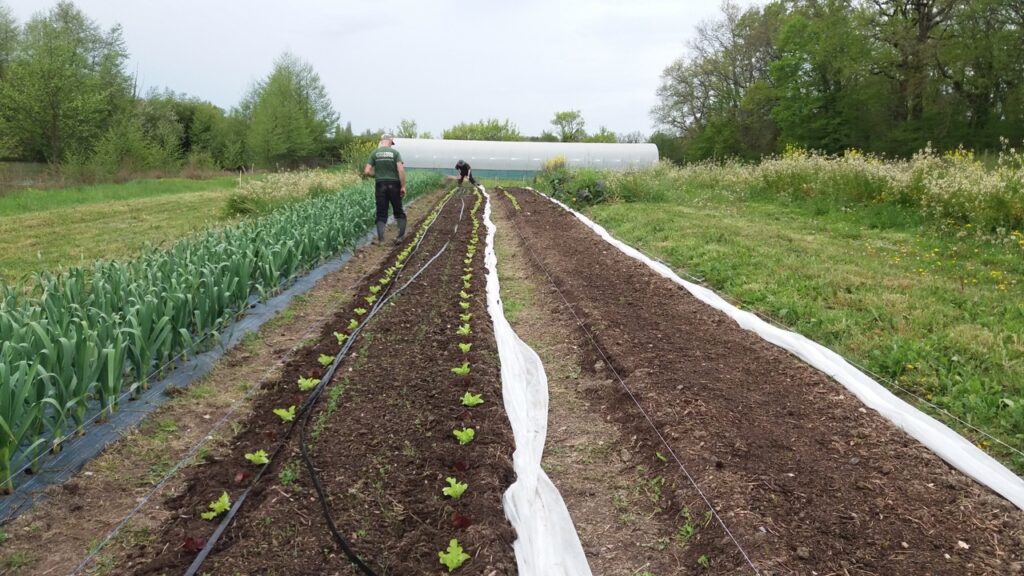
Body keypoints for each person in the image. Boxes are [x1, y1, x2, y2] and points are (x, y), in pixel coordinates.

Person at [364, 134, 407, 244]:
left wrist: (377, 175)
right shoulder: (395, 153)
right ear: (390, 142)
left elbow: (367, 171)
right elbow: (401, 170)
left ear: (381, 141)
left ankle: (381, 240)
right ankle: (400, 237)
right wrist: (403, 186)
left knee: (381, 213)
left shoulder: (374, 153)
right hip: (394, 184)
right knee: (398, 211)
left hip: (380, 184)